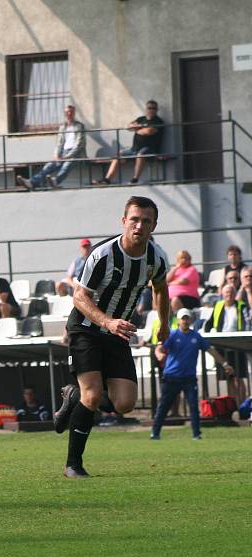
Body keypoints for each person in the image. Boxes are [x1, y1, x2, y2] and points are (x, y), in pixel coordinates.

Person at [55, 196, 169, 478]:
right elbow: (79, 296)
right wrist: (107, 321)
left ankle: (73, 397)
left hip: (118, 333)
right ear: (124, 221)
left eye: (146, 221)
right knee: (92, 395)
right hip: (87, 328)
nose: (139, 225)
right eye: (134, 219)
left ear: (154, 225)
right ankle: (73, 464)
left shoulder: (156, 258)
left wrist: (164, 324)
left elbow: (160, 289)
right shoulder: (102, 255)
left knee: (125, 404)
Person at [152, 308, 234, 440]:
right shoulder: (172, 335)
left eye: (187, 318)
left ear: (190, 320)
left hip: (189, 378)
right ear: (178, 320)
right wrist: (159, 355)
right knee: (164, 406)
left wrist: (225, 364)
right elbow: (159, 348)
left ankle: (196, 434)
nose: (185, 321)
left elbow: (210, 350)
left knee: (193, 407)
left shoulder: (196, 336)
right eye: (182, 318)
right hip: (171, 377)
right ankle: (155, 433)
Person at [94, 100, 164, 185]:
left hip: (150, 149)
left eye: (154, 108)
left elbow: (149, 131)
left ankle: (135, 179)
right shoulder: (141, 119)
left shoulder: (158, 121)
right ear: (146, 109)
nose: (151, 110)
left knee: (141, 154)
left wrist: (137, 129)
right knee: (119, 155)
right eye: (149, 108)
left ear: (156, 110)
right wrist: (138, 127)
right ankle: (107, 180)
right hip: (134, 149)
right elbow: (129, 126)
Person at [17, 105, 86, 190]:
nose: (69, 114)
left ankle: (55, 182)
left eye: (71, 112)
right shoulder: (63, 127)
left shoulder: (79, 126)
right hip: (63, 153)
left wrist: (66, 157)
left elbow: (79, 145)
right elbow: (59, 143)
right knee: (48, 166)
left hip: (76, 154)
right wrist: (56, 155)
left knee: (67, 165)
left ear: (74, 113)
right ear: (65, 114)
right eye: (67, 112)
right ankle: (31, 182)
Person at [204, 283, 248, 402]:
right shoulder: (218, 306)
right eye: (227, 292)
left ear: (235, 294)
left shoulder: (241, 306)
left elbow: (247, 323)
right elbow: (209, 323)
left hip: (238, 346)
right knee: (229, 377)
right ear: (222, 294)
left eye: (232, 292)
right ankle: (233, 405)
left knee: (239, 378)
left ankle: (243, 405)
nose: (229, 294)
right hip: (222, 347)